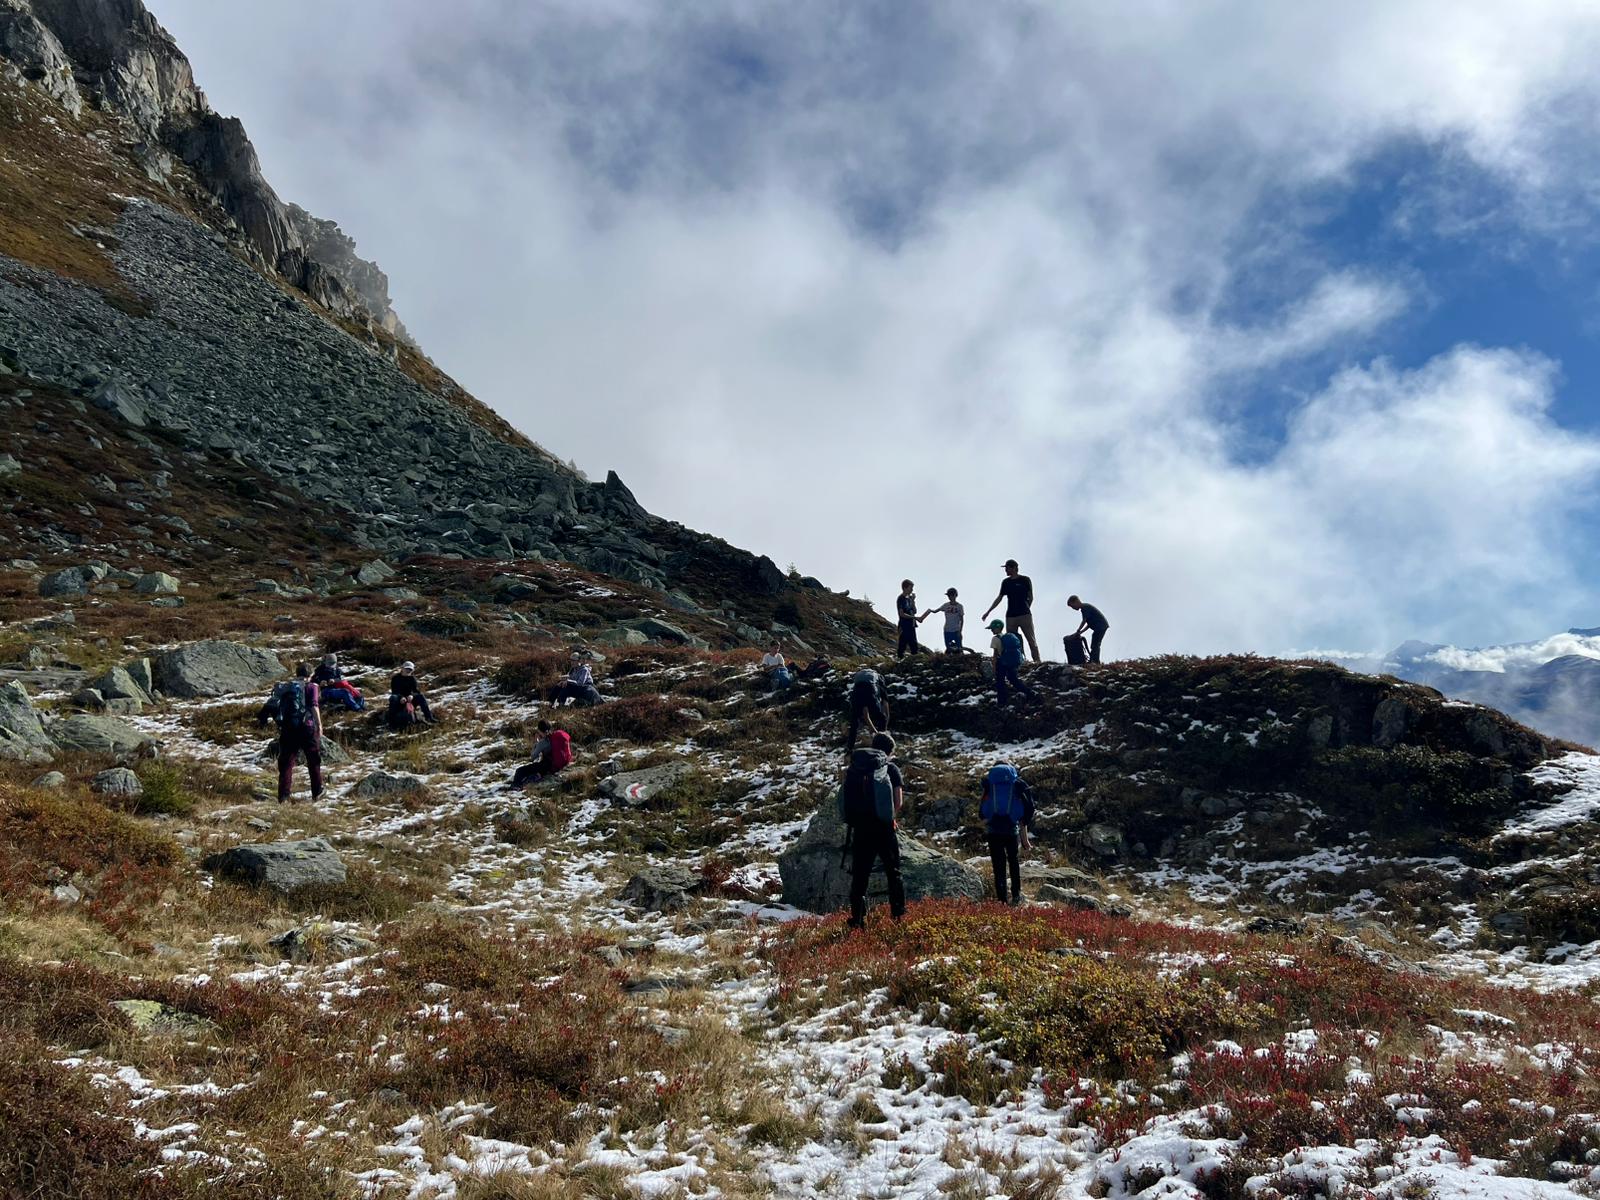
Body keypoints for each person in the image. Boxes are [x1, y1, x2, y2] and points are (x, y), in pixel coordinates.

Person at [839, 732, 906, 930]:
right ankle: (898, 916)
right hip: (884, 829)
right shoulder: (890, 768)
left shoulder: (856, 767)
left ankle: (857, 920)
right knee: (893, 872)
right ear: (889, 751)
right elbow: (898, 802)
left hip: (860, 828)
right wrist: (889, 815)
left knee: (860, 875)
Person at [257, 662, 323, 803]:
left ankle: (284, 796)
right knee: (313, 759)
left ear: (297, 673)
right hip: (307, 728)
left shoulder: (286, 687)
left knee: (287, 763)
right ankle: (317, 792)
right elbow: (314, 706)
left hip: (288, 728)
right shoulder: (312, 686)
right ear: (310, 674)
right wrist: (319, 724)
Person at [979, 763, 1035, 906]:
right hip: (1011, 830)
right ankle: (1016, 895)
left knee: (998, 866)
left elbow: (982, 813)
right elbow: (1025, 813)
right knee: (1013, 862)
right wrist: (1025, 839)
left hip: (994, 831)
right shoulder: (1015, 784)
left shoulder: (991, 784)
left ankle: (1002, 900)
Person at [982, 559, 1040, 664]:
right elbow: (999, 598)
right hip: (1011, 616)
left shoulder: (1025, 580)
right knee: (1011, 641)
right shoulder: (1006, 582)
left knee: (1031, 640)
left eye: (1007, 568)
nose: (1006, 570)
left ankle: (1037, 662)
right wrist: (988, 611)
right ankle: (1017, 662)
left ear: (1014, 568)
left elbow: (1030, 597)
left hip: (1024, 615)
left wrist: (1026, 608)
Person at [510, 719, 573, 788]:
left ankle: (515, 787)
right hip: (560, 764)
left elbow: (533, 756)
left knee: (520, 771)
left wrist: (536, 743)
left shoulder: (543, 742)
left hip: (548, 767)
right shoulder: (556, 736)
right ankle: (535, 777)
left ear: (540, 731)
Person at [989, 619, 1036, 706]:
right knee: (1014, 680)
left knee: (1000, 682)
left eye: (992, 628)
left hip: (1001, 662)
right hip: (1011, 661)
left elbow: (995, 654)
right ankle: (1030, 693)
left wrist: (994, 667)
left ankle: (1002, 702)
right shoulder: (1007, 636)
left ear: (997, 628)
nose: (991, 630)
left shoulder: (995, 638)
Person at [845, 667, 890, 750]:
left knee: (854, 723)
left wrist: (871, 727)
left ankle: (849, 749)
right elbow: (885, 704)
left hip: (856, 694)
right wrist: (885, 727)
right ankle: (881, 747)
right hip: (870, 691)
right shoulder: (879, 679)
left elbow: (864, 711)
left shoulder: (861, 676)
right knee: (882, 718)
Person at [389, 660, 435, 728]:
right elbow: (394, 691)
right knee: (393, 697)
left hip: (410, 699)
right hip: (399, 699)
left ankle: (429, 717)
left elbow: (416, 691)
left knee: (421, 696)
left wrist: (412, 695)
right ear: (402, 668)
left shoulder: (412, 679)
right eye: (407, 669)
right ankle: (391, 721)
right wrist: (401, 697)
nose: (408, 671)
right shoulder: (395, 678)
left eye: (410, 669)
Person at [920, 587, 965, 654]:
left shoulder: (959, 606)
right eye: (949, 595)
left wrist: (960, 631)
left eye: (951, 595)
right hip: (947, 630)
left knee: (959, 648)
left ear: (955, 595)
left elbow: (962, 620)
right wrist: (930, 610)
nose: (950, 597)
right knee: (948, 648)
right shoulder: (946, 605)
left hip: (956, 630)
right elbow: (936, 611)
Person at [1068, 596, 1110, 664]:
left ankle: (1095, 662)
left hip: (1100, 627)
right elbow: (1089, 624)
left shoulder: (1085, 608)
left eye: (1072, 606)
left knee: (1095, 645)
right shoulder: (1085, 608)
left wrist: (1078, 630)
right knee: (1094, 644)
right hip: (1100, 627)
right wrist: (1081, 632)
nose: (1073, 608)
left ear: (1076, 602)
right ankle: (1093, 661)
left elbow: (1084, 621)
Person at [895, 579, 921, 658]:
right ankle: (899, 660)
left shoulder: (909, 599)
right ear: (905, 588)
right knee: (902, 645)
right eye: (910, 588)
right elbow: (901, 614)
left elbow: (915, 611)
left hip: (911, 625)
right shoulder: (901, 599)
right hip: (904, 625)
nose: (912, 590)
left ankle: (915, 661)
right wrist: (914, 617)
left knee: (914, 645)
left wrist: (913, 601)